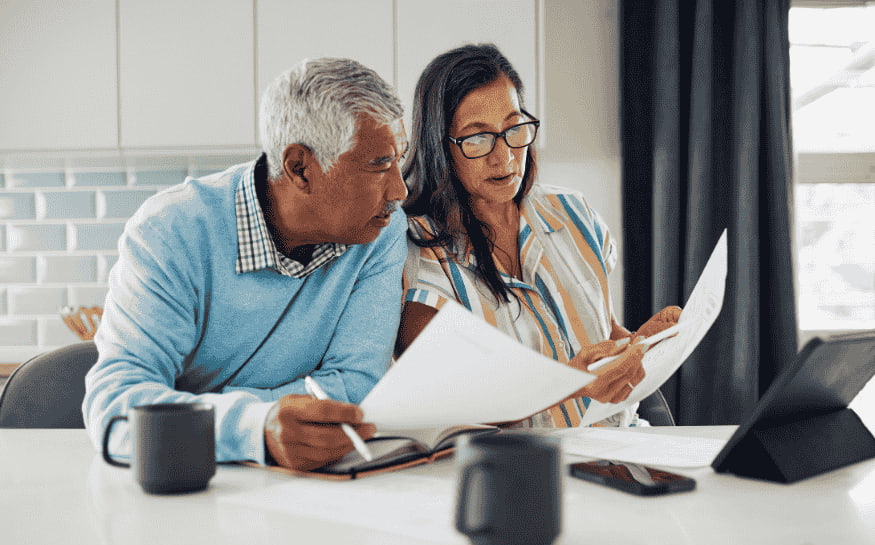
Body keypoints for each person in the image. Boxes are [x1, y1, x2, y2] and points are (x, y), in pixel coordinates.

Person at [84, 57, 408, 471]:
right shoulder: (171, 230)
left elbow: (356, 389)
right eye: (379, 165)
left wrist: (202, 415)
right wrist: (256, 427)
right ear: (300, 169)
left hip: (307, 487)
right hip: (189, 484)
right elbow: (117, 405)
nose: (399, 189)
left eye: (400, 159)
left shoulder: (380, 229)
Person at [397, 44, 681, 427]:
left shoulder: (573, 212)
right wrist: (572, 385)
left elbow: (602, 328)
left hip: (624, 448)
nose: (505, 157)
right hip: (522, 471)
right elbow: (451, 400)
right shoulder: (416, 255)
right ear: (439, 146)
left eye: (514, 128)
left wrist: (640, 345)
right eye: (477, 139)